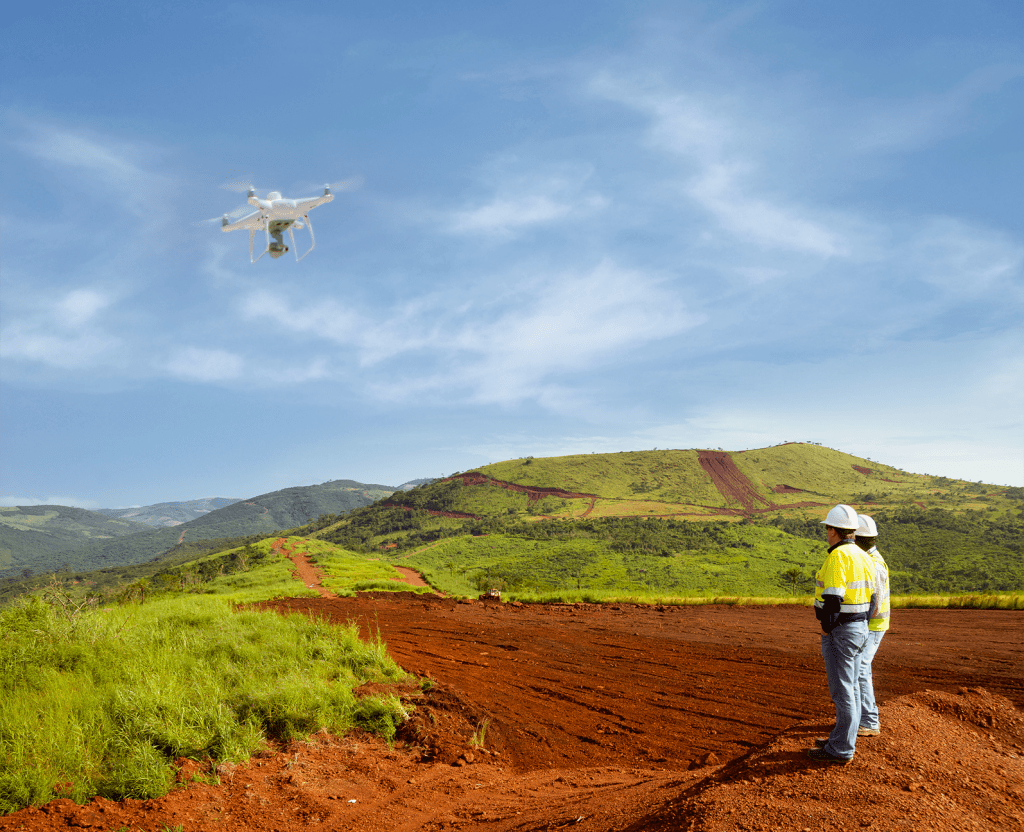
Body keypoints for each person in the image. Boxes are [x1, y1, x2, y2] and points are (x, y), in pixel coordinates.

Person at [808, 504, 877, 765]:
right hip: (860, 629)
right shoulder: (863, 556)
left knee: (843, 690)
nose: (827, 533)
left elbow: (833, 600)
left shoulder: (838, 556)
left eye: (828, 528)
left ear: (833, 530)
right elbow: (873, 599)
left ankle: (841, 749)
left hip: (842, 631)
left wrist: (827, 628)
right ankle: (841, 739)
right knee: (853, 687)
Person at [855, 514, 889, 737]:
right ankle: (862, 718)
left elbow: (875, 603)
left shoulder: (874, 564)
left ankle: (869, 721)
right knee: (861, 669)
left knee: (860, 670)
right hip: (873, 625)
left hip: (873, 626)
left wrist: (860, 624)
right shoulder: (870, 559)